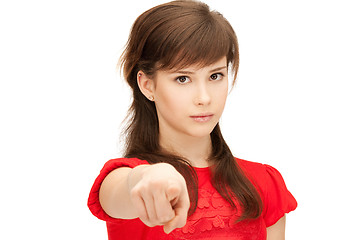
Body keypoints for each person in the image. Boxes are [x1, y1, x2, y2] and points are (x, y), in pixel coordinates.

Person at [88, 1, 297, 239]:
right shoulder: (124, 178)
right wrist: (147, 177)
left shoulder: (263, 182)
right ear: (147, 85)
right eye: (182, 79)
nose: (204, 98)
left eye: (215, 75)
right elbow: (124, 190)